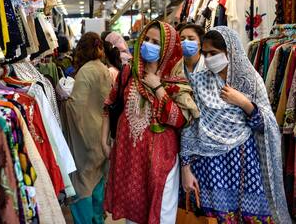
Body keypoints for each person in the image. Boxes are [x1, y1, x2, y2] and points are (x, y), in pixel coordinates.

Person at [180, 26, 291, 223]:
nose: (208, 58)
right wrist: (186, 168)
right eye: (205, 54)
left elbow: (267, 126)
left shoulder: (250, 81)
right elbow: (189, 128)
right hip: (208, 168)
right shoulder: (199, 81)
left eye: (213, 53)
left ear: (230, 51)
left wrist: (244, 102)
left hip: (243, 164)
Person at [102, 20, 199, 224]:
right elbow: (109, 104)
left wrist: (158, 88)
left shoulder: (175, 80)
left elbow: (179, 120)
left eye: (156, 42)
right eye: (146, 39)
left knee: (161, 213)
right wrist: (104, 141)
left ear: (168, 47)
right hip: (129, 158)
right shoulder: (129, 72)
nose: (148, 45)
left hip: (161, 160)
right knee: (133, 214)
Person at [61, 32, 112, 224]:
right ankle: (98, 219)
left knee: (81, 185)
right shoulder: (103, 69)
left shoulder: (85, 72)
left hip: (86, 140)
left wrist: (62, 101)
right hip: (102, 137)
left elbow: (76, 107)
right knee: (98, 182)